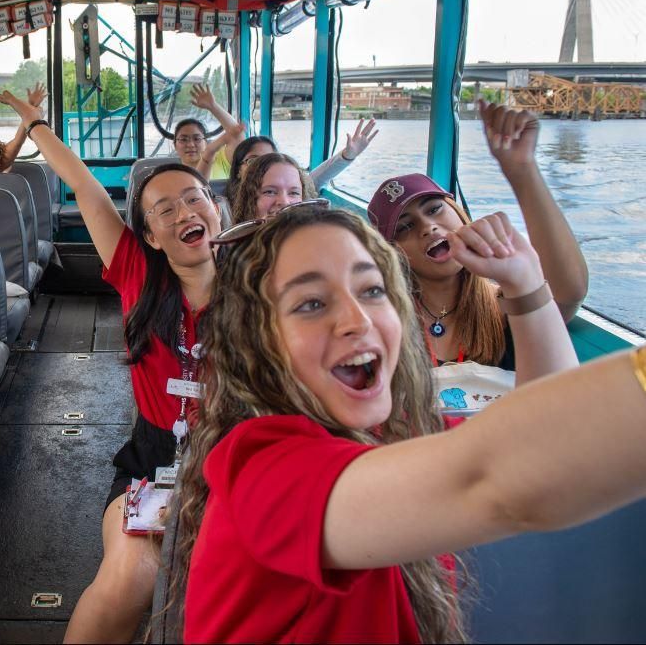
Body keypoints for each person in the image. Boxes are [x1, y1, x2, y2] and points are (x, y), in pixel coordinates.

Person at [170, 202, 644, 644]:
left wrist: (524, 287)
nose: (357, 320)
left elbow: (553, 441)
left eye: (371, 290)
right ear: (256, 344)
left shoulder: (392, 435)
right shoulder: (264, 470)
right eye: (311, 304)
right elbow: (504, 479)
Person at [0, 88, 222, 643]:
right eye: (164, 209)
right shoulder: (136, 274)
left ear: (219, 208)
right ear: (147, 236)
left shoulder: (265, 286)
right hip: (155, 459)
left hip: (240, 457)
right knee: (126, 581)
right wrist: (37, 125)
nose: (185, 213)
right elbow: (84, 185)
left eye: (195, 199)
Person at [366, 101, 588, 373]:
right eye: (404, 228)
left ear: (459, 214)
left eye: (435, 209)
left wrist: (523, 172)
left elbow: (568, 292)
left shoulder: (505, 305)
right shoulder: (383, 320)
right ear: (390, 253)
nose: (428, 227)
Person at [224, 117, 379, 203]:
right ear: (238, 170)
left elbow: (314, 180)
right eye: (252, 161)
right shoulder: (224, 207)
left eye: (268, 160)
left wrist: (347, 155)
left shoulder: (292, 195)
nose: (262, 167)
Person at [174, 84, 246, 181]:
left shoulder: (221, 159)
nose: (191, 144)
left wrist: (213, 106)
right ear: (175, 145)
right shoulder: (172, 177)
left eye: (197, 139)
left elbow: (236, 134)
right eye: (183, 139)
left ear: (206, 142)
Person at [229, 151, 318, 224]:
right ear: (248, 198)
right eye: (270, 192)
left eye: (294, 193)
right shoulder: (235, 244)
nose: (285, 202)